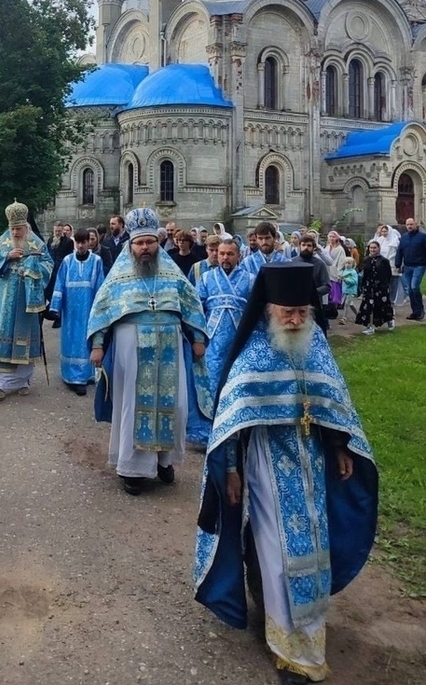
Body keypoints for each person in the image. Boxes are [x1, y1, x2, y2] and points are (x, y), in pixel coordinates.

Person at [195, 263, 378, 685]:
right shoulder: (252, 357)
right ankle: (288, 646)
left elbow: (331, 401)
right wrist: (232, 472)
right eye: (286, 312)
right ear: (268, 311)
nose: (295, 320)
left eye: (301, 312)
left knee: (312, 552)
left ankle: (308, 636)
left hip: (312, 465)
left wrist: (338, 446)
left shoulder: (315, 347)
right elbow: (232, 425)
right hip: (264, 467)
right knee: (279, 553)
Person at [88, 207, 208, 496]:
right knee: (132, 405)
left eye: (150, 242)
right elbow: (102, 310)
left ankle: (164, 462)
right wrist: (97, 344)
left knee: (174, 406)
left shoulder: (172, 274)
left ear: (158, 242)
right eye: (139, 243)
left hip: (170, 345)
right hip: (132, 347)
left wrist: (197, 337)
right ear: (131, 245)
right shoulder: (118, 277)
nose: (145, 248)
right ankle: (133, 470)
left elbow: (191, 306)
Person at [0, 202, 53, 400]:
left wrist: (32, 270)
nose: (15, 232)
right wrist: (7, 257)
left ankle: (23, 380)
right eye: (12, 228)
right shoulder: (2, 242)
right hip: (4, 300)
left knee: (25, 340)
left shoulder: (37, 244)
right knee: (1, 339)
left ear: (26, 226)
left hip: (26, 301)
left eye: (18, 229)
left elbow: (48, 264)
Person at [193, 239, 254, 423]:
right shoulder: (206, 278)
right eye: (222, 254)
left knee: (236, 381)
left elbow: (255, 311)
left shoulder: (250, 279)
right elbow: (197, 308)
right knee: (211, 380)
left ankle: (235, 424)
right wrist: (198, 337)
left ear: (239, 256)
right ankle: (209, 426)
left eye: (230, 254)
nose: (225, 258)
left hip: (240, 339)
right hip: (212, 340)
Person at [49, 228, 105, 395]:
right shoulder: (67, 261)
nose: (80, 245)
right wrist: (55, 307)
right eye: (78, 242)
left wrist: (100, 308)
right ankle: (72, 377)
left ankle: (87, 375)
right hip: (71, 310)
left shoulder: (96, 261)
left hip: (88, 309)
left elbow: (100, 286)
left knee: (86, 340)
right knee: (71, 340)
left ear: (89, 242)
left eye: (84, 242)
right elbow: (59, 284)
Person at [355, 240, 394, 335]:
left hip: (380, 287)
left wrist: (385, 285)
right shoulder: (366, 260)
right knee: (369, 306)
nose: (372, 250)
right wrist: (362, 286)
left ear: (378, 249)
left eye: (374, 248)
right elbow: (364, 274)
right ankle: (370, 326)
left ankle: (389, 320)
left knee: (382, 305)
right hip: (369, 286)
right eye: (371, 248)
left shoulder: (384, 261)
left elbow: (388, 274)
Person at [290, 234, 331, 324]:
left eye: (309, 245)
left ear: (313, 248)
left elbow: (327, 286)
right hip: (294, 304)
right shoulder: (291, 262)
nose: (306, 247)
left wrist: (313, 292)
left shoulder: (320, 264)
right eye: (303, 245)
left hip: (314, 305)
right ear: (299, 246)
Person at [394, 216, 426, 321]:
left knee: (414, 287)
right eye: (407, 225)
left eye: (411, 224)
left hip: (419, 265)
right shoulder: (404, 237)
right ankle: (415, 312)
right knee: (410, 291)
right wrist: (398, 264)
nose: (409, 226)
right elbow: (400, 251)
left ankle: (420, 310)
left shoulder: (423, 237)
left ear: (416, 224)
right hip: (407, 266)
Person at [45, 219, 74, 326]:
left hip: (61, 271)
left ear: (62, 231)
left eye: (59, 231)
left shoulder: (68, 242)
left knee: (59, 294)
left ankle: (59, 316)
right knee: (49, 293)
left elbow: (69, 258)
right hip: (50, 271)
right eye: (56, 231)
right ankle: (53, 313)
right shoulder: (50, 240)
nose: (57, 233)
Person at [338, 257, 360, 324]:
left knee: (347, 304)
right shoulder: (344, 271)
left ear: (352, 264)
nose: (347, 265)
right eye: (346, 263)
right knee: (350, 304)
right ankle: (358, 315)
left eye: (349, 263)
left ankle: (344, 318)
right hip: (345, 290)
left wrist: (346, 280)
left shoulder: (353, 272)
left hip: (351, 291)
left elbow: (355, 281)